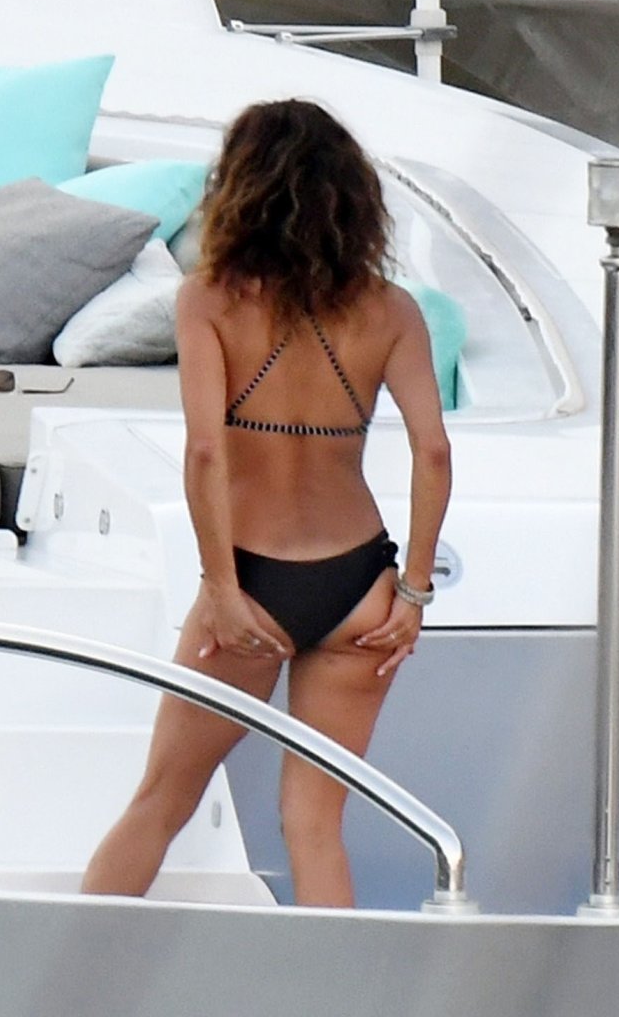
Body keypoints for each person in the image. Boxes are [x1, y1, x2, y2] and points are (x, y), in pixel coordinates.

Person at [80, 99, 452, 907]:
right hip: (361, 585)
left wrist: (219, 587)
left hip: (249, 582)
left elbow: (206, 450)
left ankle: (70, 971)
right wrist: (415, 593)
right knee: (315, 825)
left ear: (241, 189)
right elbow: (432, 452)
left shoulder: (208, 300)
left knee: (161, 803)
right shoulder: (392, 312)